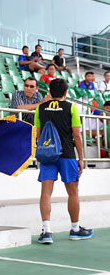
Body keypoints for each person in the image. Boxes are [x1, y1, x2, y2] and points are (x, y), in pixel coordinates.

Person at [35, 79, 93, 244]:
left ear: (50, 92)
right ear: (66, 93)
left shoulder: (40, 108)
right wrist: (81, 158)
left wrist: (44, 151)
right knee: (73, 193)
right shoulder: (71, 107)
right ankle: (75, 229)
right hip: (67, 154)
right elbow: (77, 135)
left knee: (45, 193)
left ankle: (47, 231)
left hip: (48, 154)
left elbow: (39, 134)